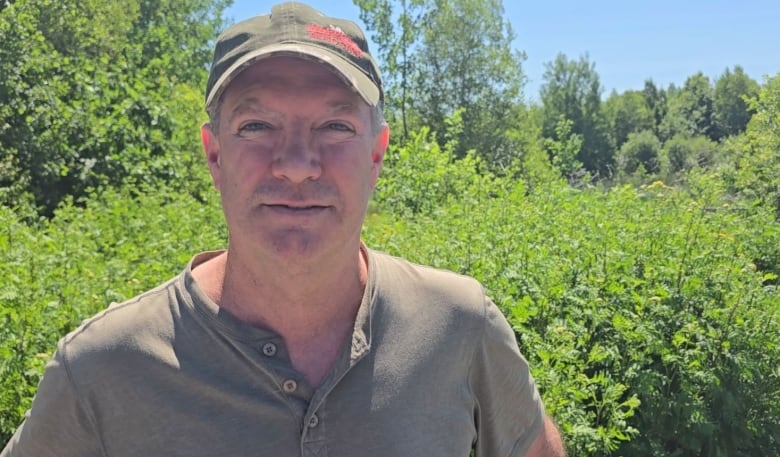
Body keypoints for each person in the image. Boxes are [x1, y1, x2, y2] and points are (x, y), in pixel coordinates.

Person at [1, 2, 564, 456]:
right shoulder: (102, 368)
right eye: (257, 125)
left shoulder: (459, 326)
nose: (297, 162)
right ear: (214, 154)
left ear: (376, 155)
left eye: (335, 125)